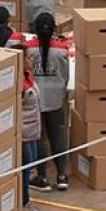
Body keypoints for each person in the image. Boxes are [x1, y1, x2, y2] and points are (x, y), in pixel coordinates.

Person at [24, 13, 71, 192]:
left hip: (35, 99)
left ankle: (42, 176)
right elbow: (66, 75)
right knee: (57, 136)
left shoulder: (28, 49)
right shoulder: (62, 49)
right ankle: (61, 176)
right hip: (56, 99)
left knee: (40, 138)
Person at [12, 44, 44, 211]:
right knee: (25, 167)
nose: (31, 60)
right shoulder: (18, 84)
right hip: (23, 132)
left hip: (33, 129)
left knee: (30, 165)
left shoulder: (29, 76)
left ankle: (26, 199)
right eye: (27, 57)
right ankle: (23, 202)